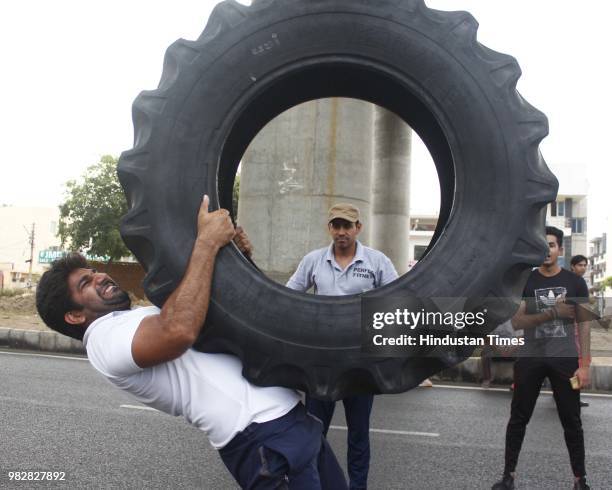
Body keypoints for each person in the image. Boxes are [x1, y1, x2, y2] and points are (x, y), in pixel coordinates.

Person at [35, 195, 347, 490]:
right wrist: (208, 242)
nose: (100, 276)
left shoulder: (134, 319)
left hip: (290, 422)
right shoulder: (103, 341)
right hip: (262, 437)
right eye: (85, 283)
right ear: (74, 316)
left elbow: (221, 312)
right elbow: (178, 332)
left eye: (94, 271)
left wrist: (238, 259)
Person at [286, 203, 398, 490]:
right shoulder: (313, 261)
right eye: (336, 225)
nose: (341, 232)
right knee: (314, 433)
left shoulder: (377, 262)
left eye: (347, 226)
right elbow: (288, 298)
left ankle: (357, 487)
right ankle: (319, 483)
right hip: (321, 364)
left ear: (358, 228)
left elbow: (398, 302)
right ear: (329, 228)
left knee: (358, 433)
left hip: (361, 364)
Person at [492, 227, 592, 490]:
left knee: (572, 421)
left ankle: (580, 480)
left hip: (564, 358)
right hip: (530, 357)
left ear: (560, 249)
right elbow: (516, 320)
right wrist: (552, 312)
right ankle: (508, 476)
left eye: (552, 245)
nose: (547, 250)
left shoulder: (575, 282)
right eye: (542, 245)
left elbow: (584, 325)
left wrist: (585, 365)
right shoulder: (527, 281)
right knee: (518, 418)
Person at [570, 255, 591, 408]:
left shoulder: (580, 282)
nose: (583, 268)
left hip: (577, 328)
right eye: (580, 265)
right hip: (571, 328)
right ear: (572, 266)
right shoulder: (571, 282)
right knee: (576, 363)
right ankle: (572, 397)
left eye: (585, 265)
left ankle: (570, 395)